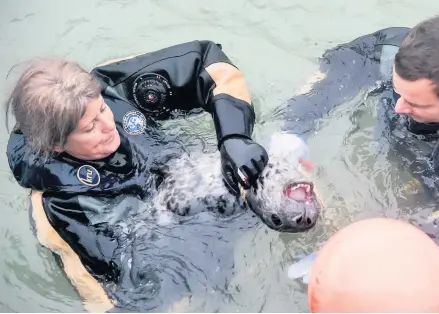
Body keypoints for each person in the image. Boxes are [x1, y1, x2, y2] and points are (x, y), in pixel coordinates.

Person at [5, 41, 269, 312]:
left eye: (103, 110)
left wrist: (233, 136)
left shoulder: (113, 89)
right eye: (90, 127)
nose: (109, 126)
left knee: (273, 183)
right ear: (56, 145)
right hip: (166, 247)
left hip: (187, 179)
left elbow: (209, 63)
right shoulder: (58, 208)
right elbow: (103, 299)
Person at [277, 12, 439, 267]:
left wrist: (359, 254)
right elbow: (333, 74)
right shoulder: (403, 56)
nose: (399, 107)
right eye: (398, 92)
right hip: (427, 133)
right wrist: (292, 131)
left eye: (415, 103)